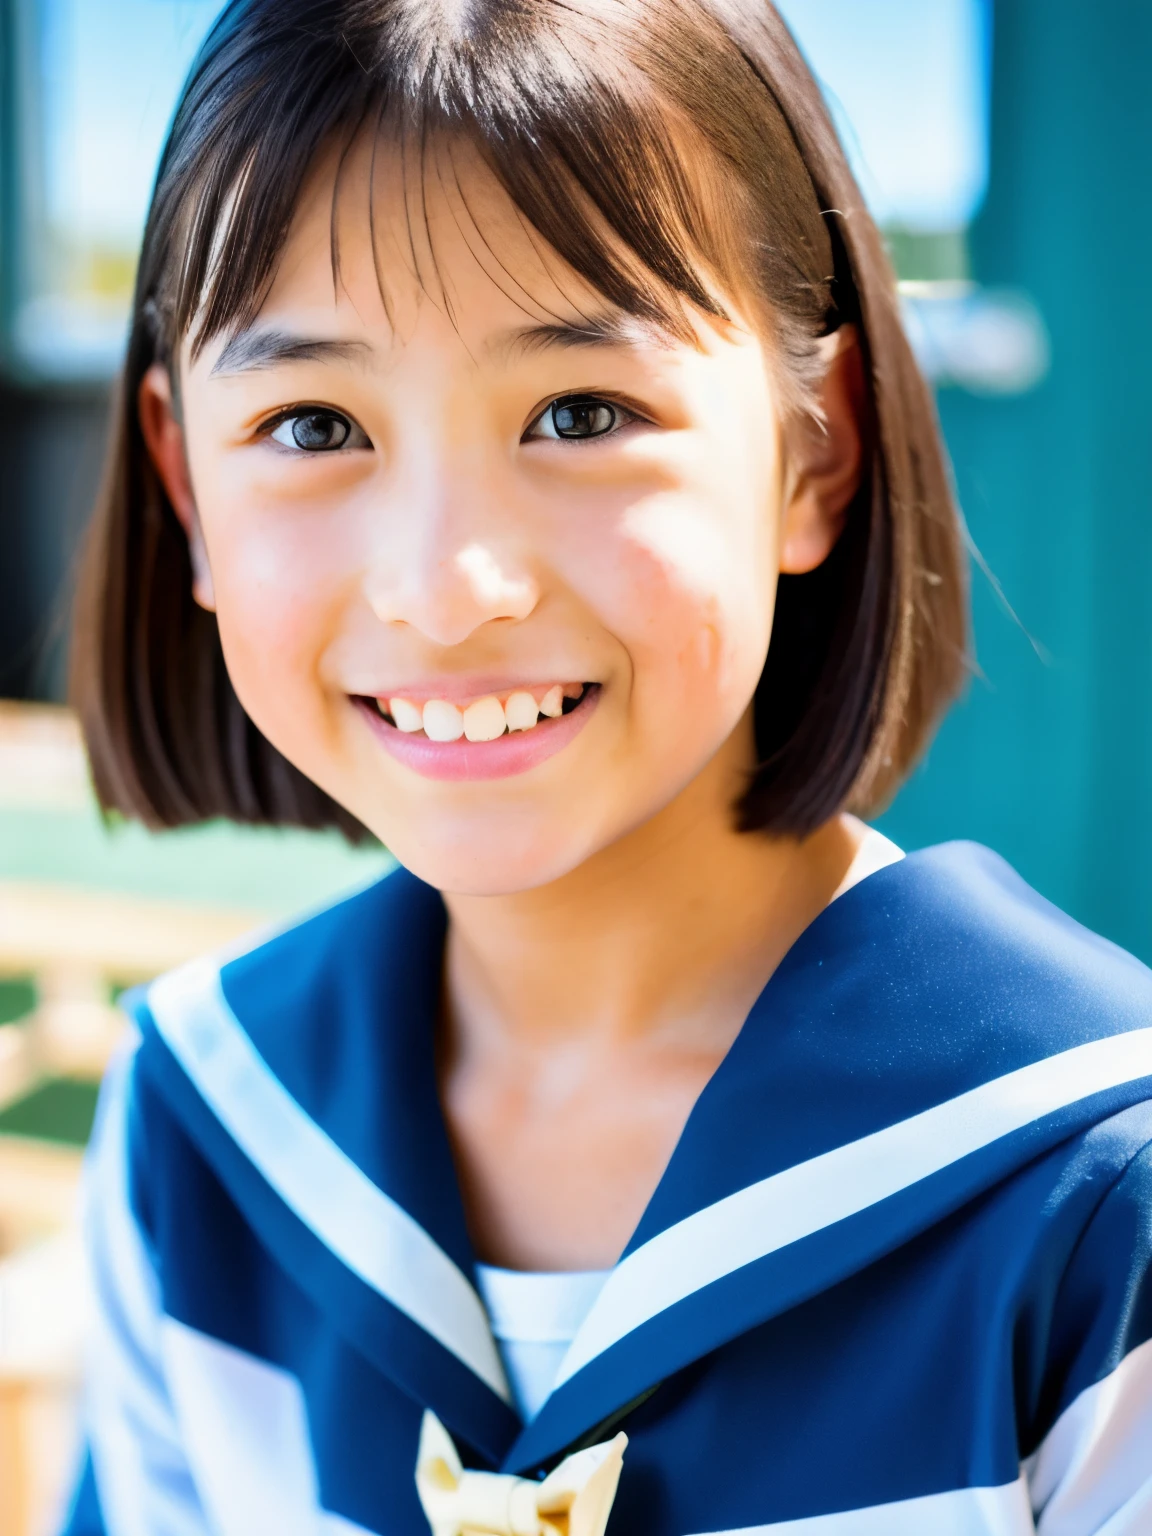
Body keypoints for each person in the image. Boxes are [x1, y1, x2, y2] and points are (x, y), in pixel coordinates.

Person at [61, 1, 1152, 1532]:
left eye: (583, 412)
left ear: (810, 454)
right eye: (313, 423)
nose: (445, 588)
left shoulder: (1096, 1186)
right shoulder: (200, 1126)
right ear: (187, 487)